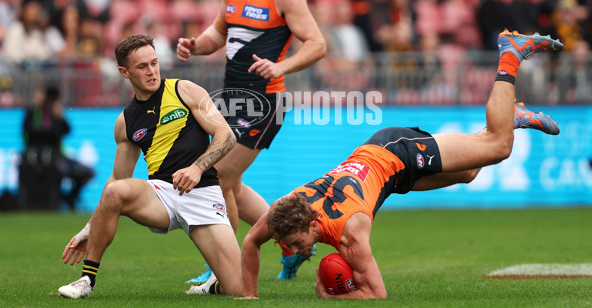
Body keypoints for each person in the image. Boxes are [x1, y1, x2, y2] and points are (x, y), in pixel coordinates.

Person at [238, 30, 563, 299]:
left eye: (295, 245)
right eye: (288, 246)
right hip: (385, 175)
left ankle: (511, 54)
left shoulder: (350, 237)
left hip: (397, 151)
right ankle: (514, 116)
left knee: (498, 146)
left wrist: (331, 294)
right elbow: (252, 241)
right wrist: (249, 297)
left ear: (312, 227)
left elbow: (377, 295)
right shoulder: (286, 209)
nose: (293, 250)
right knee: (468, 173)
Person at [177, 0, 326, 284]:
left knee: (218, 175)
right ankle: (294, 244)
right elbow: (218, 32)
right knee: (234, 185)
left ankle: (223, 267)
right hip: (232, 99)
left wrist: (281, 68)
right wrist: (197, 45)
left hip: (264, 103)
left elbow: (318, 44)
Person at [57, 34, 241, 298]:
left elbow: (227, 135)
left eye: (154, 63)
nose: (152, 71)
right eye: (142, 67)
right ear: (124, 72)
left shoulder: (185, 90)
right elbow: (118, 179)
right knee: (115, 192)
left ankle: (214, 285)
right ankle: (87, 280)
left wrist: (197, 168)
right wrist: (91, 226)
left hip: (203, 192)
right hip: (161, 196)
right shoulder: (126, 121)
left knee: (238, 289)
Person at [20, 84, 94, 210]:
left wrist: (60, 117)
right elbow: (28, 131)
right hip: (37, 158)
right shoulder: (32, 112)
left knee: (87, 172)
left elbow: (67, 130)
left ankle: (69, 198)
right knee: (51, 175)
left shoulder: (55, 112)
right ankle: (60, 199)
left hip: (57, 156)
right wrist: (36, 107)